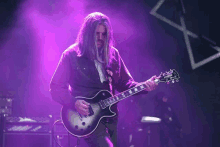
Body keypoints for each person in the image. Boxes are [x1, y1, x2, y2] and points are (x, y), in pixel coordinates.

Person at [50, 12, 158, 147]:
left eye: (104, 34)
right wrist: (74, 102)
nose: (100, 38)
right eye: (96, 34)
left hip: (110, 117)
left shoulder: (113, 54)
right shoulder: (71, 55)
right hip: (85, 118)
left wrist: (144, 86)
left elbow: (125, 83)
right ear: (87, 34)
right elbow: (55, 88)